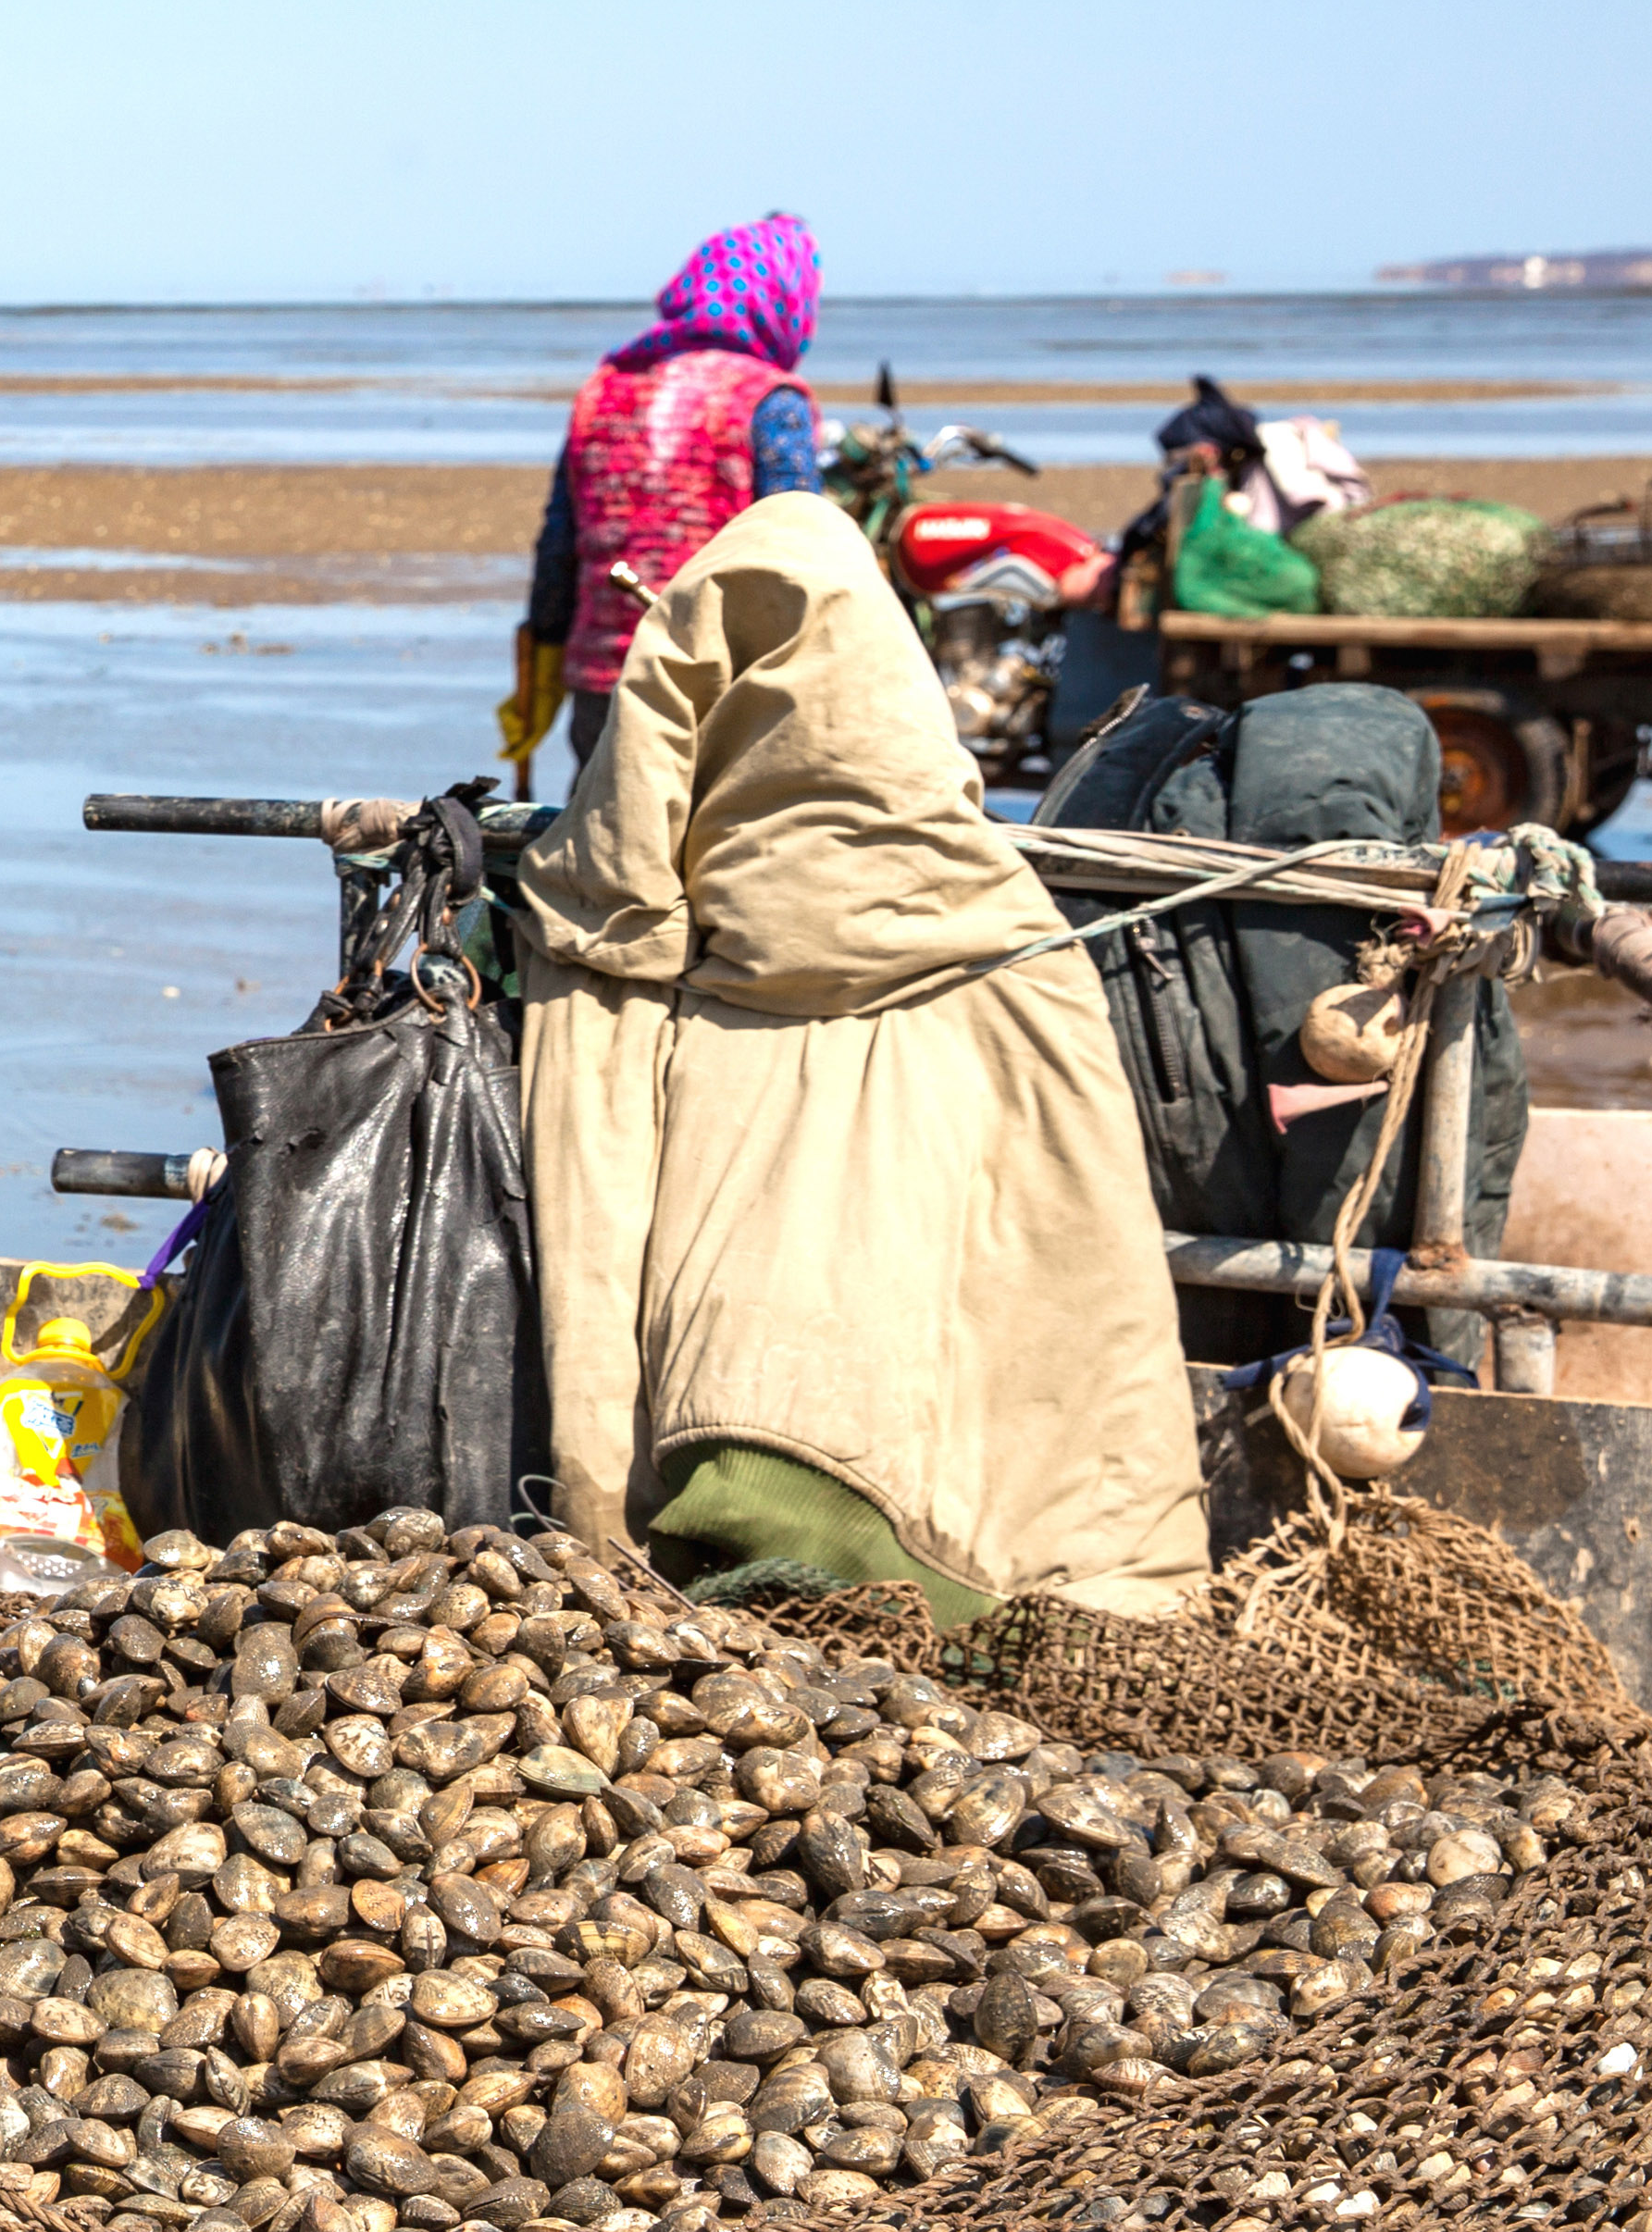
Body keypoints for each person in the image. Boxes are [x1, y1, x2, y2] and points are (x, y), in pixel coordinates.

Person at [515, 485, 1208, 1625]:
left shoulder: (606, 940)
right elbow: (1087, 1274)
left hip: (702, 1471)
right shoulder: (1014, 946)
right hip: (973, 1547)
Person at [501, 216, 825, 778]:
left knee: (604, 840)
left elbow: (558, 544)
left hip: (605, 676)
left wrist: (544, 654)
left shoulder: (606, 389)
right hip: (723, 682)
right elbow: (801, 551)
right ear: (786, 302)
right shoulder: (770, 400)